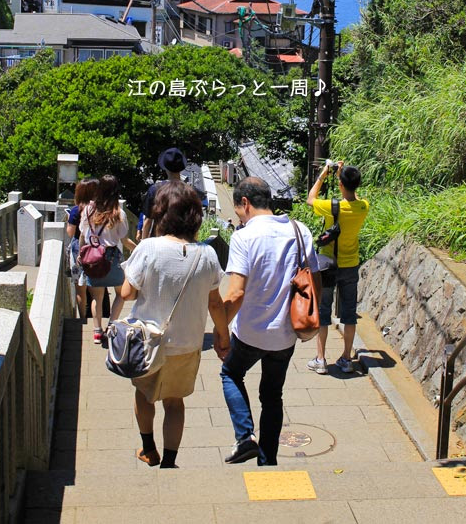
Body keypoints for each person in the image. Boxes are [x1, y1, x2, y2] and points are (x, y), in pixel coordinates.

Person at [121, 181, 229, 468]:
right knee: (175, 402)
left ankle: (148, 449)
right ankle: (170, 461)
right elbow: (216, 303)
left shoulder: (148, 248)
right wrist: (223, 336)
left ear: (161, 213)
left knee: (144, 396)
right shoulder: (206, 254)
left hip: (148, 342)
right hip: (188, 344)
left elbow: (126, 293)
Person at [215, 177, 319, 466]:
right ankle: (267, 460)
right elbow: (314, 281)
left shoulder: (244, 237)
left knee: (230, 374)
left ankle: (245, 437)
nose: (239, 217)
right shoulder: (300, 231)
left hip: (249, 332)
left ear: (245, 203)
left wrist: (220, 331)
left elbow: (235, 294)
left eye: (238, 211)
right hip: (286, 334)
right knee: (272, 395)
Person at [306, 160, 369, 375]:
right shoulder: (363, 207)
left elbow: (310, 198)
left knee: (323, 311)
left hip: (327, 265)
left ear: (341, 185)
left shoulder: (331, 207)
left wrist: (325, 172)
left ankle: (321, 359)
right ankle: (346, 358)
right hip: (350, 266)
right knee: (349, 313)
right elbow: (355, 198)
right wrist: (343, 175)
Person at [79, 175, 136, 344]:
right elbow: (125, 240)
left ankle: (97, 332)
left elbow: (83, 235)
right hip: (111, 258)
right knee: (121, 294)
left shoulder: (88, 210)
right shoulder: (118, 213)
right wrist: (139, 249)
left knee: (97, 296)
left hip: (92, 258)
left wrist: (80, 254)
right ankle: (111, 325)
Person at [66, 177, 99, 319]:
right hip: (96, 249)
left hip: (78, 250)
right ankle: (97, 323)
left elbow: (70, 232)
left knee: (80, 290)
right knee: (96, 292)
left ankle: (83, 319)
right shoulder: (99, 210)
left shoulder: (76, 210)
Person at [141, 148, 187, 239]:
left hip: (158, 239)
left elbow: (148, 221)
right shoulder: (188, 191)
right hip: (181, 241)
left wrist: (143, 243)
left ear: (165, 167)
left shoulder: (155, 189)